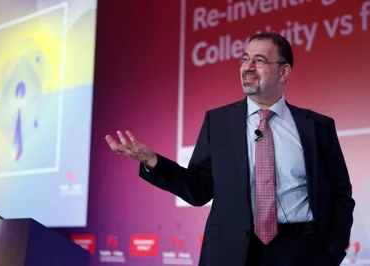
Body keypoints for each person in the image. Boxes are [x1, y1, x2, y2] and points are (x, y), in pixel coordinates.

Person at [105, 32, 355, 266]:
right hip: (232, 252)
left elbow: (341, 193)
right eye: (244, 59)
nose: (247, 67)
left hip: (302, 252)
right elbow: (198, 190)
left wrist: (333, 250)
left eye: (259, 60)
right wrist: (153, 162)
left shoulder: (318, 127)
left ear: (283, 71)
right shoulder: (218, 122)